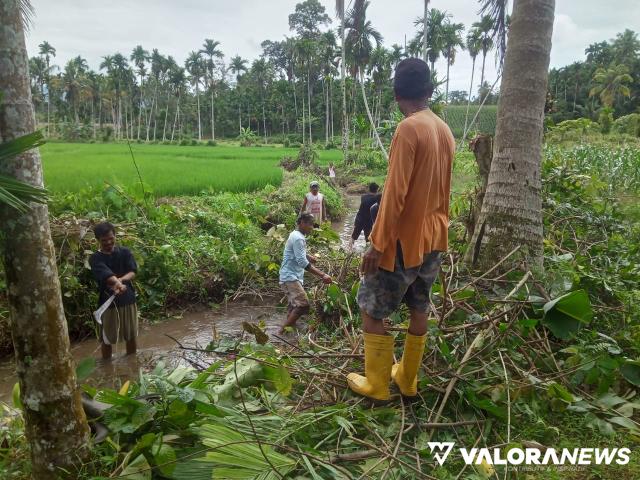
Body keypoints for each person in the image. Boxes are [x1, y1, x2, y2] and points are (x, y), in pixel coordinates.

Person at [347, 58, 455, 401]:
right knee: (419, 305)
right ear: (429, 90)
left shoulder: (408, 129)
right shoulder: (444, 129)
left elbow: (394, 193)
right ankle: (407, 379)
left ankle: (377, 385)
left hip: (403, 241)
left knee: (370, 306)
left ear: (397, 94)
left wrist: (377, 245)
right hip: (433, 238)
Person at [89, 222, 139, 360]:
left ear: (115, 236)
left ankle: (132, 361)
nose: (108, 242)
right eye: (104, 240)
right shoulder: (95, 258)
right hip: (108, 303)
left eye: (111, 238)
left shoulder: (125, 252)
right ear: (98, 240)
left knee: (131, 335)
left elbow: (133, 271)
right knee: (106, 339)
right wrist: (117, 283)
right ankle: (107, 364)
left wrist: (120, 282)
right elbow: (106, 275)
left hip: (128, 299)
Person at [279, 213, 332, 334]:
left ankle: (288, 334)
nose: (312, 227)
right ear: (302, 222)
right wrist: (323, 275)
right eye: (310, 224)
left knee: (293, 306)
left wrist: (308, 256)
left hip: (290, 275)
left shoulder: (295, 234)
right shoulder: (298, 238)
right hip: (290, 277)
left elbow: (296, 252)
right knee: (303, 305)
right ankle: (280, 333)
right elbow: (302, 262)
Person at [348, 183, 381, 249]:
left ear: (369, 189)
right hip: (369, 220)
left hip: (359, 218)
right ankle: (367, 250)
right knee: (368, 237)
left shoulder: (363, 196)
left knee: (353, 236)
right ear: (377, 190)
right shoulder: (377, 198)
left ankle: (349, 249)